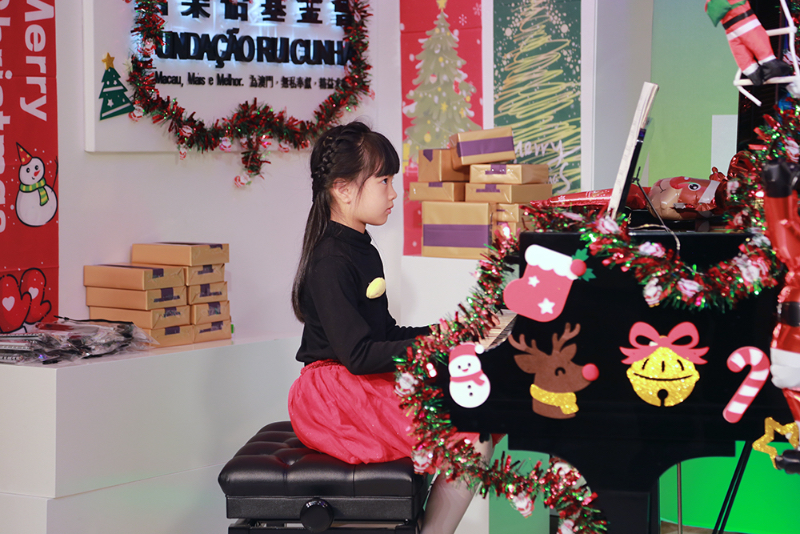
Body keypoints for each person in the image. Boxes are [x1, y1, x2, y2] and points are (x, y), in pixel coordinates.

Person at [288, 121, 493, 532]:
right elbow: (359, 355)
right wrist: (437, 348)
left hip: (353, 381)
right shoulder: (330, 260)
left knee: (475, 417)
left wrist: (447, 334)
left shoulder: (362, 247)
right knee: (471, 438)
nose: (394, 193)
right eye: (384, 181)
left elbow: (383, 334)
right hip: (333, 394)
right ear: (343, 189)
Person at [705, 0, 793, 86]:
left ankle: (753, 71)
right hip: (741, 17)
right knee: (755, 37)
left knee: (739, 46)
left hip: (730, 25)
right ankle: (768, 65)